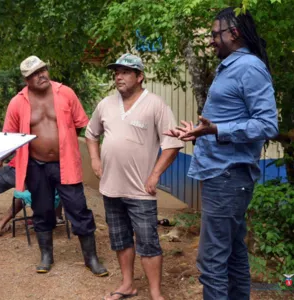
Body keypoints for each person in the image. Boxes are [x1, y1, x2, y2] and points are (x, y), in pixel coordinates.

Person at [164, 7, 278, 300]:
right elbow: (223, 121)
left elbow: (267, 124)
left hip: (228, 176)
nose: (211, 40)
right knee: (234, 255)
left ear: (234, 34)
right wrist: (195, 132)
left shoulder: (249, 67)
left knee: (212, 261)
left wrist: (216, 130)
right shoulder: (230, 66)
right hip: (221, 173)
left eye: (216, 34)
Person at [85, 53, 183, 300]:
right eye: (116, 72)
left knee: (148, 242)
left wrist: (155, 175)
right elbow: (90, 134)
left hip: (141, 190)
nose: (119, 76)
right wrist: (95, 160)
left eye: (125, 72)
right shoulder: (105, 104)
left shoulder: (155, 105)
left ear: (140, 76)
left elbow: (171, 144)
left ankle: (155, 293)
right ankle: (127, 284)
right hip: (111, 188)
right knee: (120, 239)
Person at [2, 55, 108, 276]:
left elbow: (82, 124)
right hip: (35, 166)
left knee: (79, 210)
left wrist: (64, 144)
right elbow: (9, 137)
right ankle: (46, 255)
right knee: (41, 211)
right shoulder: (17, 102)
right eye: (33, 74)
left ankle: (91, 258)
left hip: (65, 164)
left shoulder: (65, 93)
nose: (40, 75)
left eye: (42, 70)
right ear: (26, 80)